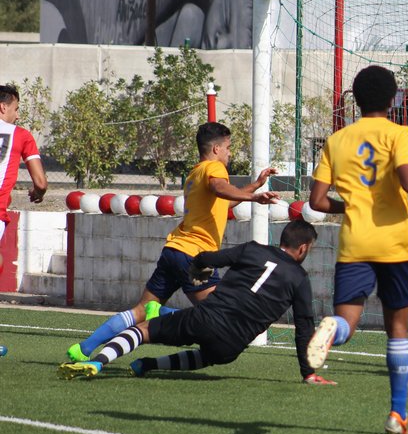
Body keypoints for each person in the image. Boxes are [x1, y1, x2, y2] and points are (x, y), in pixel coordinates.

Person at [304, 64, 408, 434]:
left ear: (355, 101)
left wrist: (349, 206)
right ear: (393, 99)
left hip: (355, 244)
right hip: (395, 244)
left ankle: (332, 329)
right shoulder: (400, 133)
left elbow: (317, 201)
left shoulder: (336, 140)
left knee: (347, 323)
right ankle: (397, 414)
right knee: (398, 329)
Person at [66, 121, 280, 362]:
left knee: (140, 310)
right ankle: (163, 313)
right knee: (219, 314)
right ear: (216, 149)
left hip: (174, 249)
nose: (230, 153)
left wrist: (255, 185)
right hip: (195, 256)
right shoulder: (215, 168)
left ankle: (83, 348)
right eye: (228, 148)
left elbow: (224, 201)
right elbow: (219, 187)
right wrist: (255, 197)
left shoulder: (195, 173)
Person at [59, 219, 333, 383]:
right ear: (303, 248)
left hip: (205, 318)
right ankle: (148, 365)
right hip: (233, 345)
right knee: (207, 357)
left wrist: (198, 267)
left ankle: (99, 361)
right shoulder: (300, 279)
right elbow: (304, 329)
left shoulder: (252, 249)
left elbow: (207, 257)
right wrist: (307, 372)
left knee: (143, 330)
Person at [0, 84, 47, 276]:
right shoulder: (20, 135)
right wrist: (38, 193)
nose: (18, 116)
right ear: (3, 107)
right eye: (16, 109)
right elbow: (41, 183)